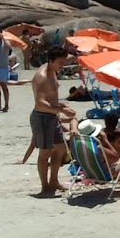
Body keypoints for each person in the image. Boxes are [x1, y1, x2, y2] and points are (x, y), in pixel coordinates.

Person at [30, 47, 75, 196]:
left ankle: (54, 181)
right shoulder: (42, 76)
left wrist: (60, 105)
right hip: (42, 116)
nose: (62, 65)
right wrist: (62, 111)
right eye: (60, 62)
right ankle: (45, 186)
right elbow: (40, 103)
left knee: (61, 149)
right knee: (45, 152)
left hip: (52, 115)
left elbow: (51, 96)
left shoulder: (53, 70)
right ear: (51, 60)